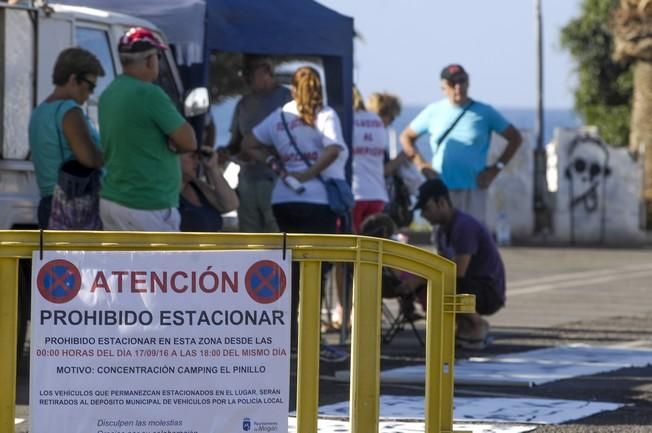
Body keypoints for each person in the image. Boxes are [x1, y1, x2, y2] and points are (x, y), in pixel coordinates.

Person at [243, 66, 349, 362]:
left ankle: (288, 339)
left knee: (290, 272)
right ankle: (310, 341)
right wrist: (309, 174)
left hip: (283, 199)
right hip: (316, 201)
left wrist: (276, 165)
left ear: (292, 88)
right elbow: (333, 150)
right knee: (318, 271)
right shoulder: (325, 114)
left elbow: (247, 143)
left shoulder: (280, 117)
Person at [98, 27, 197, 231]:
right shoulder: (149, 94)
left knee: (122, 264)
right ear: (151, 60)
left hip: (114, 200)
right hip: (146, 204)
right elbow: (189, 142)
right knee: (158, 265)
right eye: (158, 56)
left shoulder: (109, 93)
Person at [399, 64, 522, 222]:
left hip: (474, 188)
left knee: (472, 237)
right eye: (452, 83)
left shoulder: (485, 112)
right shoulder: (433, 112)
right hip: (441, 189)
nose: (458, 87)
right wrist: (421, 165)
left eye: (461, 81)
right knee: (443, 239)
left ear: (468, 82)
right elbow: (406, 137)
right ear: (443, 87)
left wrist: (495, 169)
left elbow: (515, 138)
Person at [414, 178, 506, 349]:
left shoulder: (464, 226)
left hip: (488, 290)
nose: (423, 215)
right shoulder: (441, 231)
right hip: (472, 284)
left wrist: (420, 279)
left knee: (443, 283)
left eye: (426, 209)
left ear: (441, 202)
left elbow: (458, 270)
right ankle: (462, 327)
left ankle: (477, 323)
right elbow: (442, 263)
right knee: (433, 282)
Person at [29, 47, 105, 228]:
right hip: (73, 207)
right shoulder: (69, 111)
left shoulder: (40, 111)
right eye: (90, 86)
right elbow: (90, 159)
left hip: (49, 204)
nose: (91, 93)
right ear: (73, 79)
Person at [226, 55, 292, 233]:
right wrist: (226, 153)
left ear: (266, 71)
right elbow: (235, 143)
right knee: (249, 240)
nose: (246, 78)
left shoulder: (287, 98)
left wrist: (263, 151)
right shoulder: (243, 104)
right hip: (247, 181)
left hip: (277, 181)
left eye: (250, 73)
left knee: (277, 237)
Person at [179, 148, 239, 232]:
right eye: (192, 157)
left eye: (198, 158)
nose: (197, 162)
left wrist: (213, 168)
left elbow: (230, 205)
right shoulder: (164, 192)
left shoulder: (196, 184)